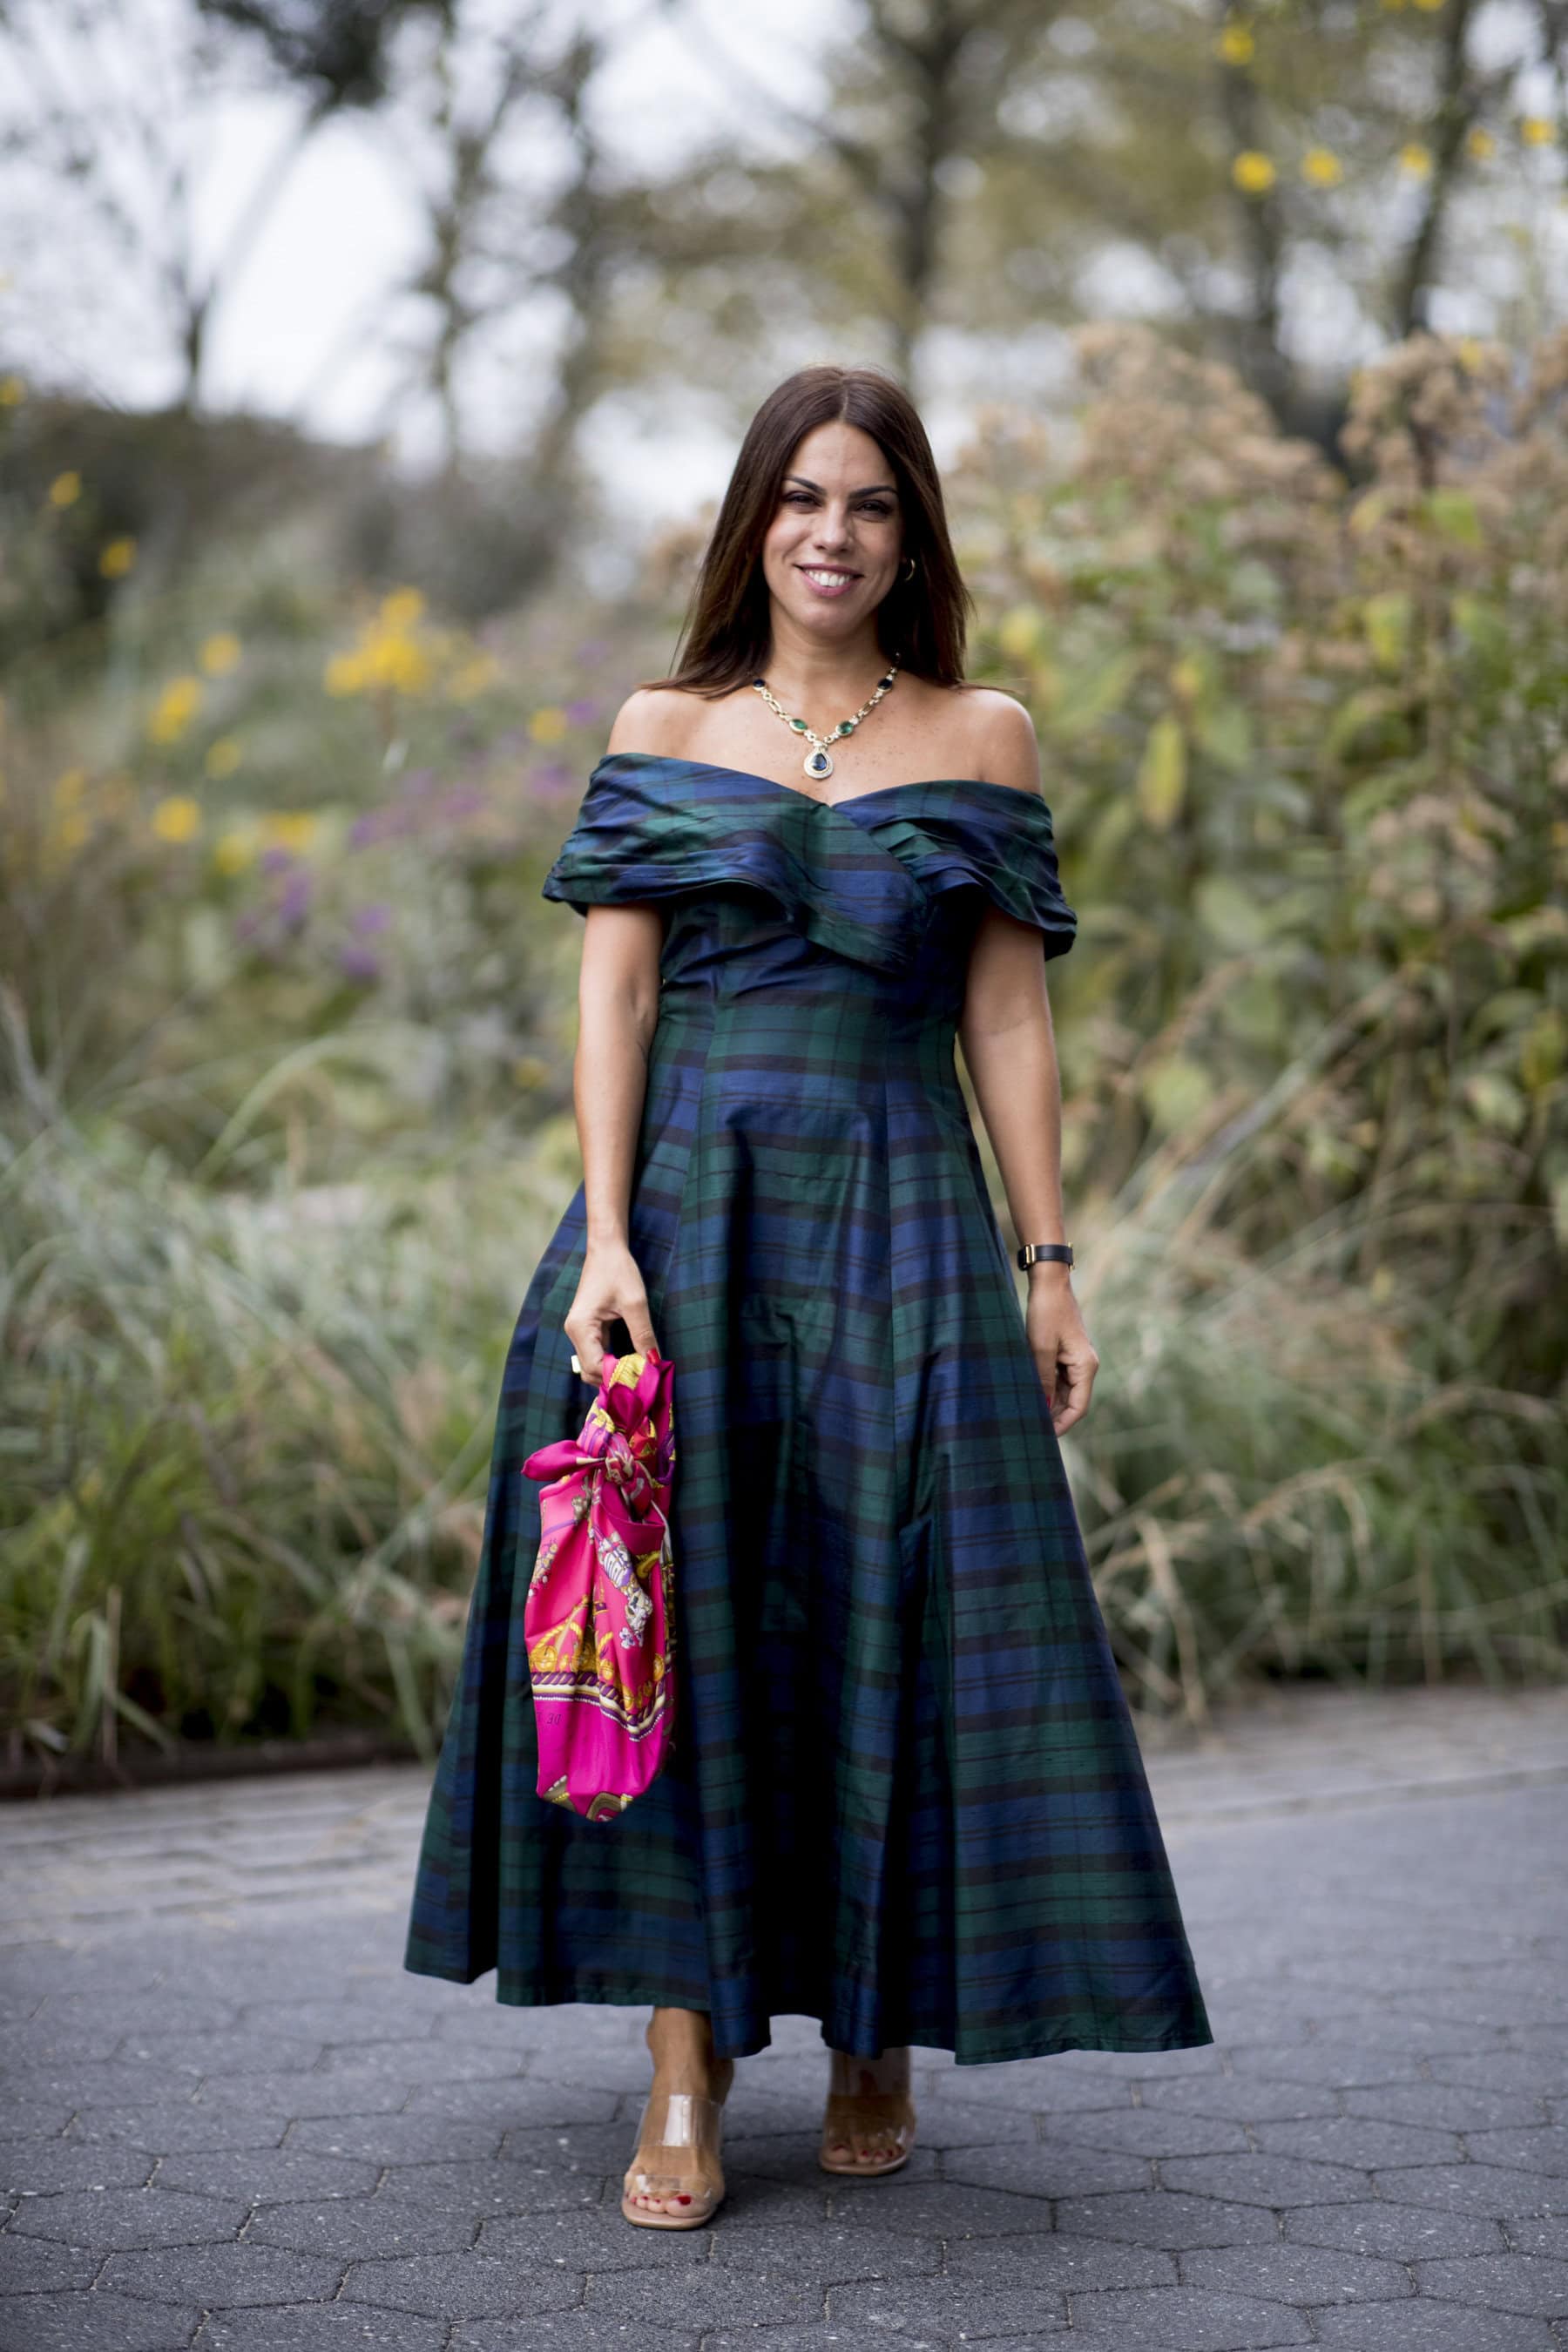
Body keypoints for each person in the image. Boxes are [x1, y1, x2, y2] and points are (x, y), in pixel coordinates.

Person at [402, 362, 1212, 2230]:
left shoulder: (984, 734)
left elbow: (1008, 1016)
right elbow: (615, 995)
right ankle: (683, 2066)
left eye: (869, 504)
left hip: (905, 1211)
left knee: (892, 1607)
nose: (831, 535)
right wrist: (610, 1240)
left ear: (910, 536)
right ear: (752, 521)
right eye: (800, 500)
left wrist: (1052, 1261)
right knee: (687, 1624)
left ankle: (872, 2028)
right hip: (692, 1215)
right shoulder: (664, 722)